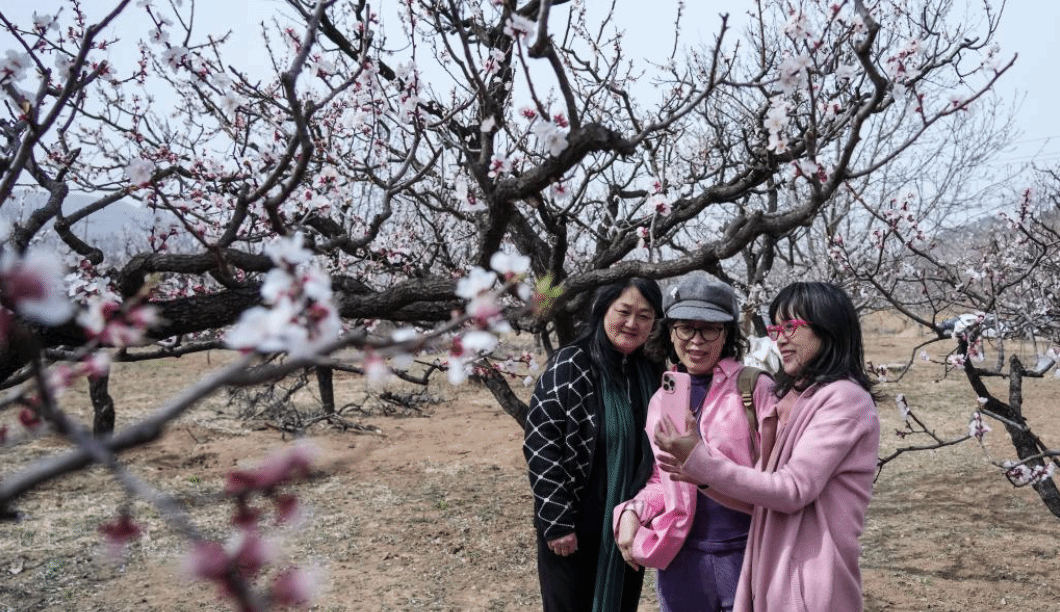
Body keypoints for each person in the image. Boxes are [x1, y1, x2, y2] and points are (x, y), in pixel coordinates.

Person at [654, 281, 881, 612]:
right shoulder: (801, 396)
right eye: (776, 327)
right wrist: (698, 474)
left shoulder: (844, 400)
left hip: (808, 574)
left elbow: (791, 489)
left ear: (828, 328)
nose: (779, 338)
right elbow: (762, 497)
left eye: (791, 326)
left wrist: (703, 462)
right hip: (776, 566)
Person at [612, 274, 773, 612]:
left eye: (709, 328)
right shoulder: (661, 400)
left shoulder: (754, 390)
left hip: (747, 553)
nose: (696, 341)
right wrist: (632, 511)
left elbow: (778, 478)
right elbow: (664, 479)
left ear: (726, 333)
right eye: (686, 327)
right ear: (671, 331)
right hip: (682, 560)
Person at [524, 278, 665, 612]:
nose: (633, 323)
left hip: (626, 522)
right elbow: (541, 442)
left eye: (644, 316)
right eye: (624, 311)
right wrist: (556, 520)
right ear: (603, 309)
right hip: (574, 521)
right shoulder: (572, 364)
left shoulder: (651, 372)